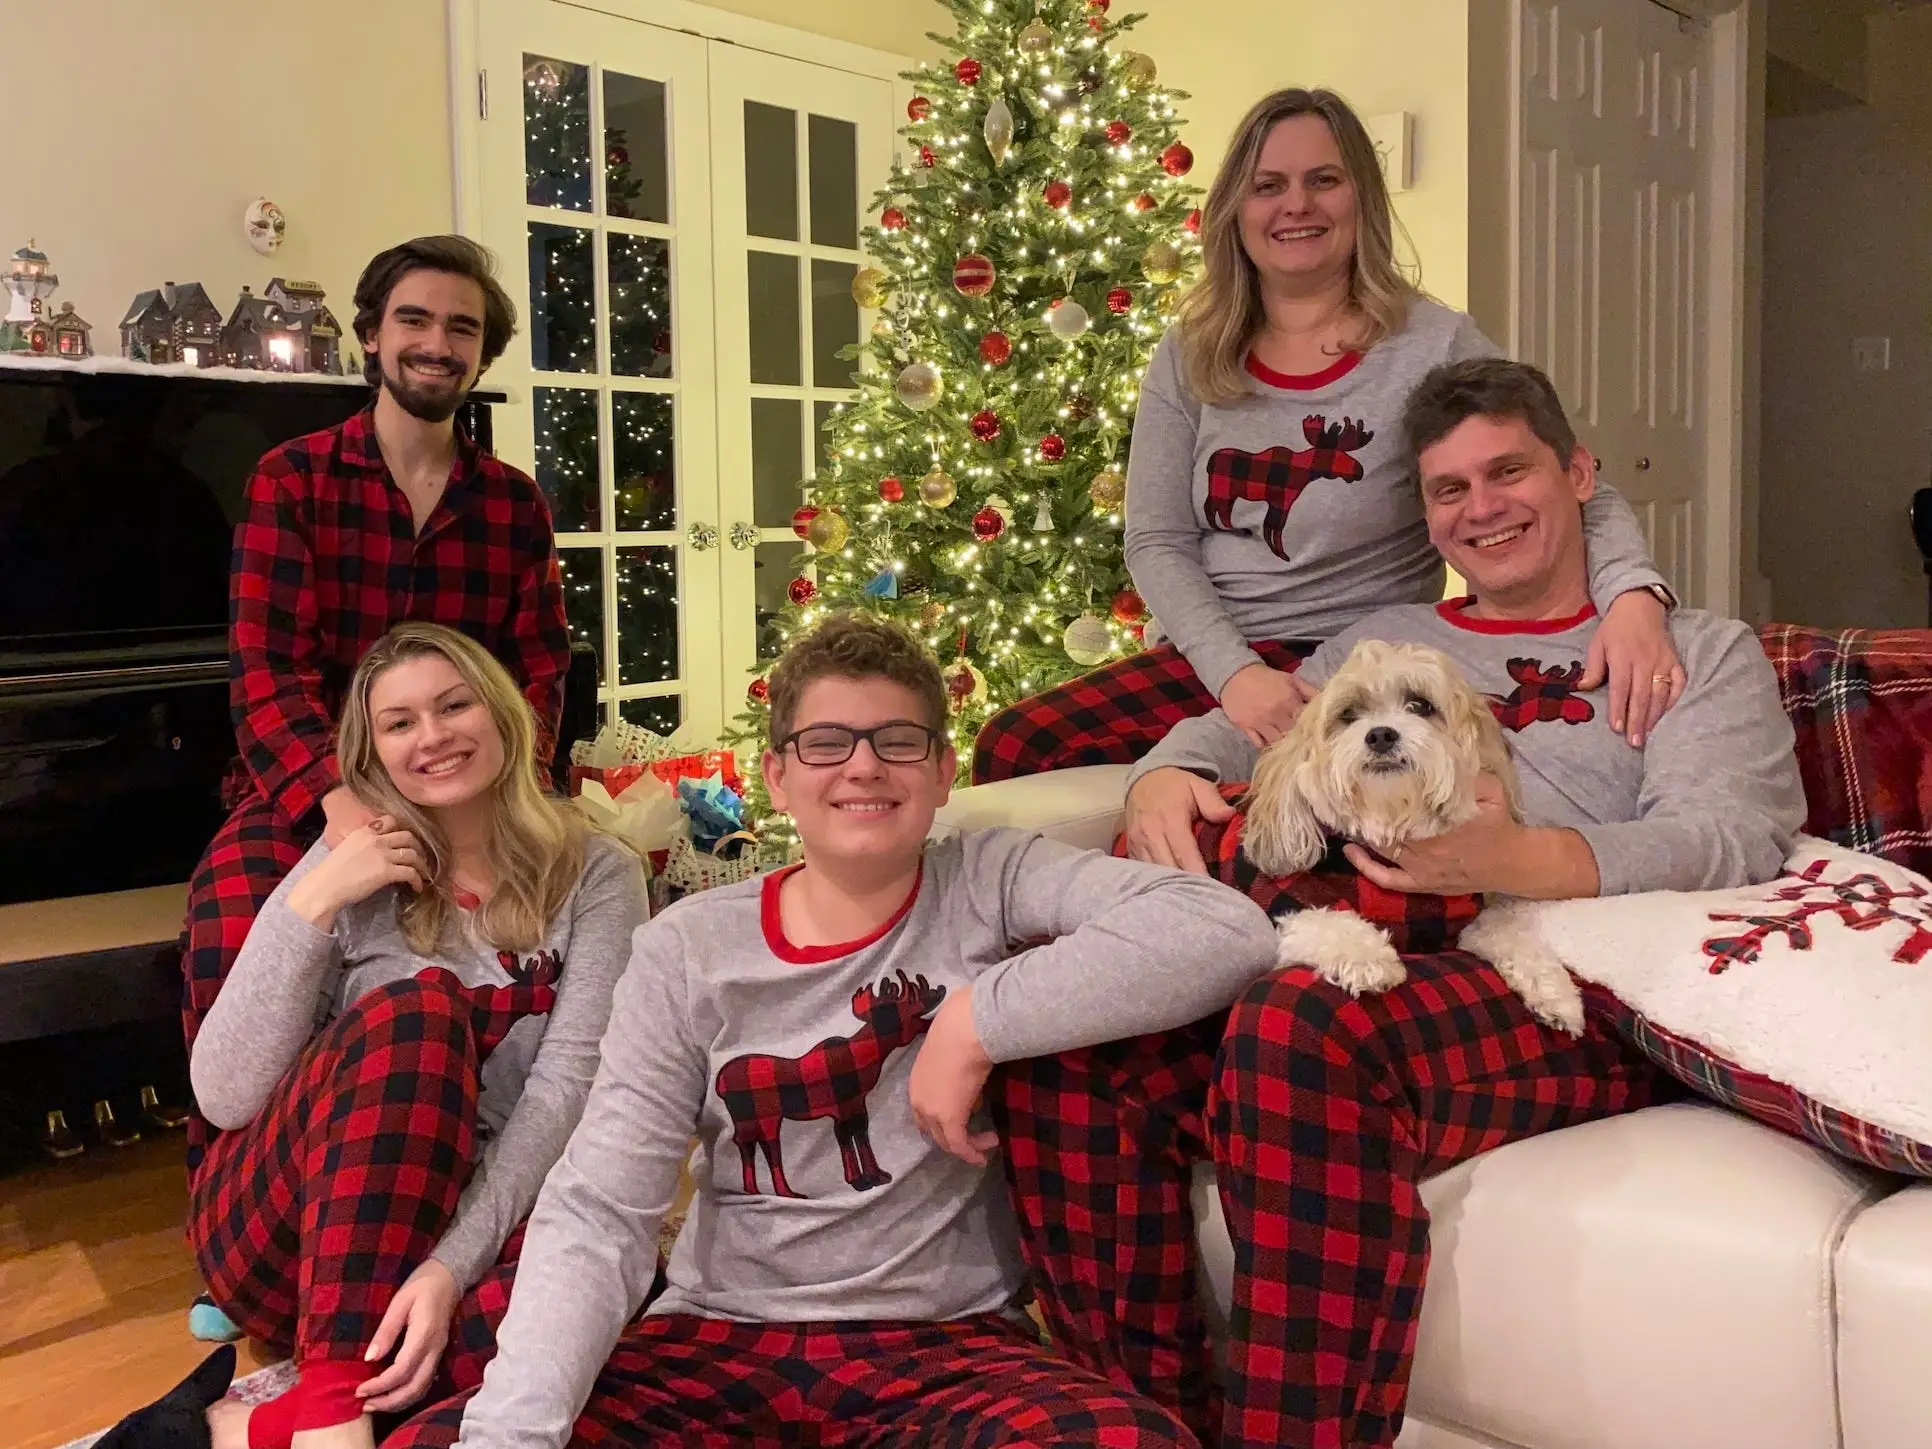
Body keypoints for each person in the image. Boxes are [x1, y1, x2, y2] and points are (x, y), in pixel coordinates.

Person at [996, 358, 1808, 1449]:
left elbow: (1732, 838)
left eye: (1509, 472)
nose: (1482, 509)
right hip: (1383, 954)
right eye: (1449, 490)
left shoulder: (1695, 651)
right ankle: (1145, 1430)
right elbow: (1246, 730)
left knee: (1304, 1026)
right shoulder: (1384, 642)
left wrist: (1517, 855)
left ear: (1578, 476)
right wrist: (1156, 775)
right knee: (1076, 1051)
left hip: (1570, 979)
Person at [386, 612, 1281, 1449]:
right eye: (826, 743)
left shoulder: (990, 878)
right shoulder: (686, 948)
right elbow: (602, 1209)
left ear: (940, 771)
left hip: (947, 1352)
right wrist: (515, 1433)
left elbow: (1222, 931)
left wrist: (978, 1017)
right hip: (715, 1341)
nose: (863, 767)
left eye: (898, 741)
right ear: (777, 776)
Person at [971, 87, 1682, 787]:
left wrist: (1635, 596)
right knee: (1016, 746)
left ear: (1361, 199)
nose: (1296, 205)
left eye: (1324, 180)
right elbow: (1156, 539)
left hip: (1365, 660)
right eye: (1268, 185)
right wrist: (1237, 674)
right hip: (1215, 655)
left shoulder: (1435, 343)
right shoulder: (1189, 352)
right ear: (1235, 211)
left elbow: (1561, 476)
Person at [108, 622, 646, 1449]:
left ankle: (243, 1425)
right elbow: (224, 1093)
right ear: (372, 754)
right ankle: (331, 1411)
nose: (432, 736)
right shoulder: (342, 868)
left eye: (453, 704)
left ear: (502, 714)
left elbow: (565, 1094)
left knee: (605, 1286)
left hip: (452, 1228)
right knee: (421, 1009)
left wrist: (447, 1268)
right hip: (290, 1235)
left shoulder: (600, 872)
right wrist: (318, 895)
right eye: (399, 723)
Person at [180, 235, 572, 1171]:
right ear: (370, 335)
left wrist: (530, 793)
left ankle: (494, 1161)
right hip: (319, 791)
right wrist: (341, 805)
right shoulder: (293, 478)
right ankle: (235, 1188)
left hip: (475, 785)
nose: (438, 342)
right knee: (233, 928)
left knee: (554, 930)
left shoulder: (515, 505)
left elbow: (540, 670)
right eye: (415, 319)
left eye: (462, 327)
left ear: (483, 351)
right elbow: (267, 670)